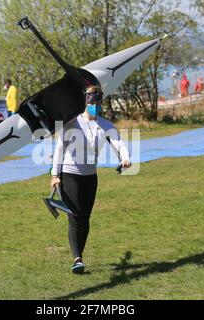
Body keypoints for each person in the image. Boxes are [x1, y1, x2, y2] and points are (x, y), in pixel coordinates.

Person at [50, 86, 131, 274]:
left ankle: (80, 258)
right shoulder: (72, 123)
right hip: (70, 174)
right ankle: (76, 258)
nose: (96, 106)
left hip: (90, 177)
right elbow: (59, 149)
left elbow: (119, 143)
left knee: (85, 218)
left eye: (98, 103)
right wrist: (55, 175)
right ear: (85, 102)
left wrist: (125, 158)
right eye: (93, 103)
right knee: (75, 216)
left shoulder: (105, 125)